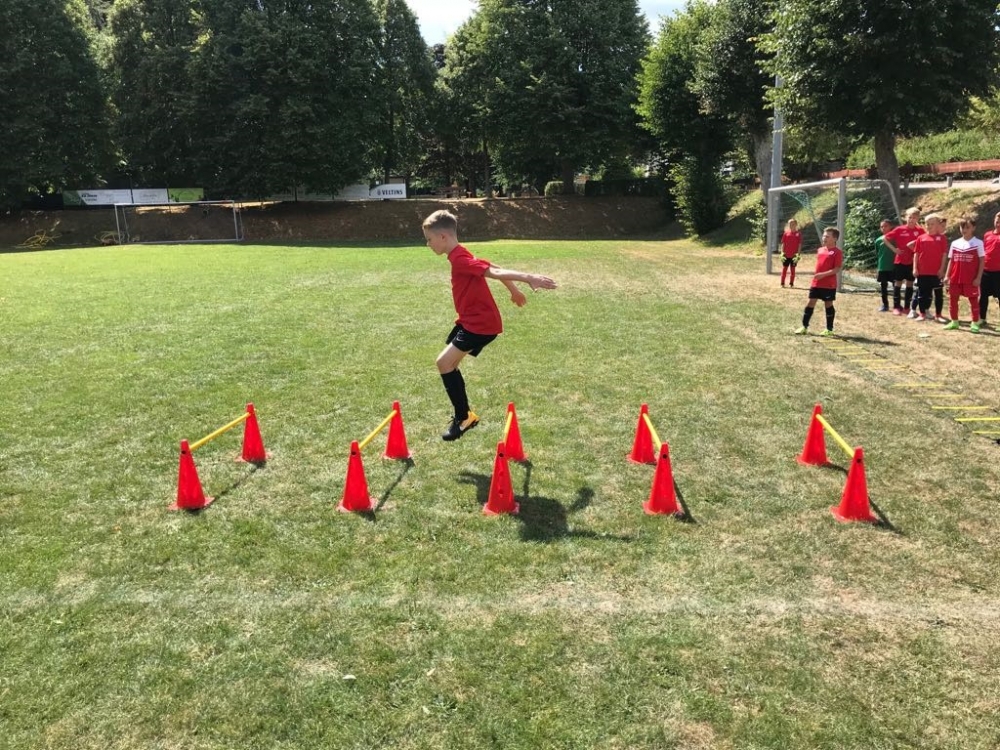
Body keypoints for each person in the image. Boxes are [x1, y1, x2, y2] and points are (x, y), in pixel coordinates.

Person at [422, 209, 557, 441]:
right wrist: (514, 290)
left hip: (479, 325)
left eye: (429, 239)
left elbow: (493, 271)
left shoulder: (460, 259)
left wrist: (528, 277)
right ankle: (465, 415)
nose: (428, 244)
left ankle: (464, 418)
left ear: (443, 236)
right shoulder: (460, 254)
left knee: (444, 363)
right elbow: (492, 265)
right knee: (449, 365)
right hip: (471, 322)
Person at [794, 227, 843, 336]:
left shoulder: (837, 252)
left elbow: (837, 269)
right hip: (816, 283)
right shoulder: (820, 250)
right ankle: (804, 327)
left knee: (828, 304)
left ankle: (829, 329)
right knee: (810, 302)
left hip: (829, 285)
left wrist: (822, 275)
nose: (824, 238)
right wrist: (817, 275)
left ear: (835, 239)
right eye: (824, 235)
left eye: (827, 236)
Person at [943, 217, 985, 333]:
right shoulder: (955, 243)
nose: (964, 230)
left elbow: (982, 261)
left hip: (970, 278)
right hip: (955, 278)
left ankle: (975, 322)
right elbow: (951, 260)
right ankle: (954, 322)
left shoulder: (978, 243)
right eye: (962, 227)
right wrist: (947, 275)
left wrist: (978, 278)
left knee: (973, 301)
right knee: (953, 300)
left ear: (973, 228)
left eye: (967, 227)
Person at [882, 207, 924, 315]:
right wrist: (894, 249)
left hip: (912, 261)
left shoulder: (920, 231)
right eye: (910, 217)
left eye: (914, 218)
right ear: (906, 217)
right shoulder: (899, 229)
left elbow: (924, 242)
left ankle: (906, 307)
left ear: (918, 219)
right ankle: (896, 307)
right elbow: (885, 238)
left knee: (910, 284)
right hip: (900, 260)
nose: (911, 220)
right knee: (898, 283)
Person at [910, 213, 948, 322]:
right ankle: (922, 314)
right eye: (927, 224)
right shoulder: (921, 238)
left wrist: (942, 269)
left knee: (938, 294)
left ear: (938, 225)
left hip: (936, 272)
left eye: (932, 224)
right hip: (923, 272)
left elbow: (944, 255)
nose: (929, 226)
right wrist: (915, 268)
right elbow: (916, 254)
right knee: (922, 294)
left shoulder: (942, 238)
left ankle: (938, 315)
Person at [979, 211, 1000, 327]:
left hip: (998, 272)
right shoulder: (987, 235)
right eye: (997, 221)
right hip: (986, 271)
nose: (998, 223)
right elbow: (984, 251)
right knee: (983, 296)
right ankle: (981, 318)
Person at [874, 219, 896, 311]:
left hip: (894, 267)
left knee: (896, 287)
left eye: (885, 226)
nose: (883, 228)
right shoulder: (878, 240)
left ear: (891, 227)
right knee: (883, 287)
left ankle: (897, 305)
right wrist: (878, 267)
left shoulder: (895, 238)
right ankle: (885, 305)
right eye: (881, 226)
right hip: (882, 267)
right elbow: (878, 254)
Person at [779, 219, 803, 287]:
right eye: (790, 224)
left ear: (796, 225)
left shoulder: (798, 234)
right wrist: (782, 253)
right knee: (784, 269)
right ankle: (782, 283)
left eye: (793, 224)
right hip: (786, 255)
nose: (791, 225)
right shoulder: (786, 233)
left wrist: (798, 254)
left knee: (793, 270)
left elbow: (799, 245)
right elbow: (783, 244)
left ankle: (791, 284)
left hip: (794, 256)